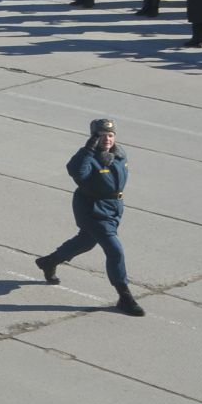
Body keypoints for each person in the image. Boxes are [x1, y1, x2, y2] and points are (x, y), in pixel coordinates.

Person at [36, 119, 145, 317]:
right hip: (92, 210)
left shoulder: (120, 155)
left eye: (110, 135)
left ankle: (50, 261)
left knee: (86, 242)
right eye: (101, 135)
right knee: (115, 250)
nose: (107, 139)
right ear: (93, 137)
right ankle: (125, 296)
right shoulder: (86, 156)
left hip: (113, 208)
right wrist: (88, 150)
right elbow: (77, 172)